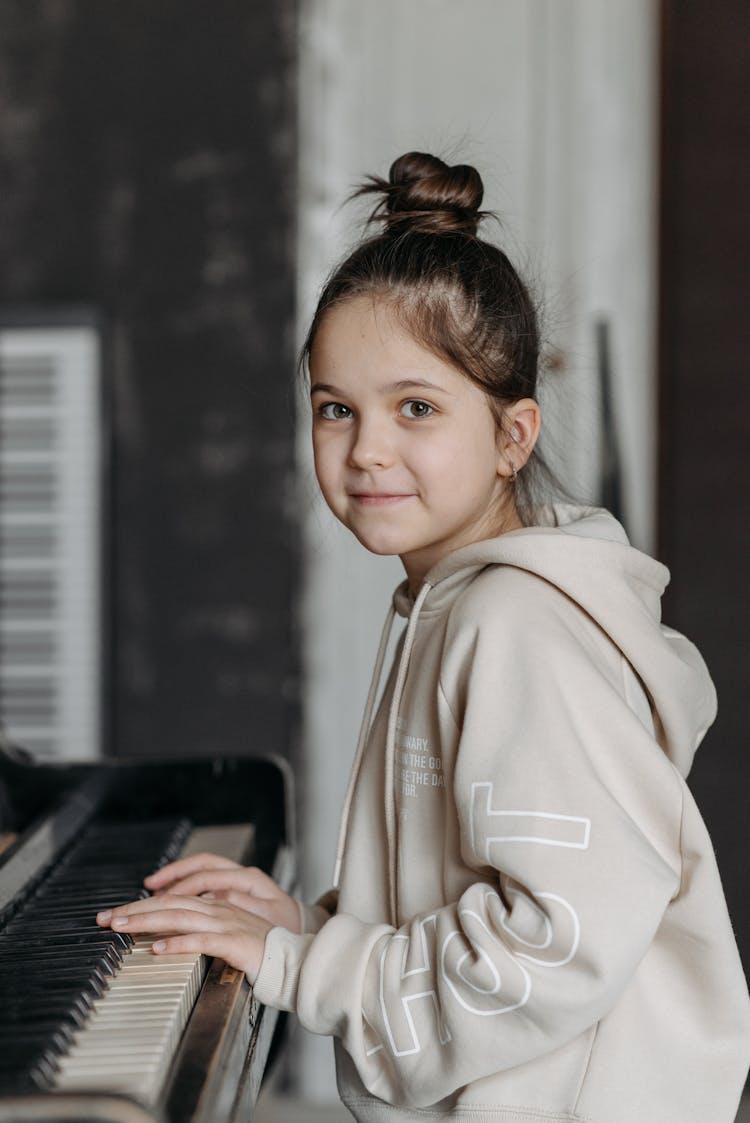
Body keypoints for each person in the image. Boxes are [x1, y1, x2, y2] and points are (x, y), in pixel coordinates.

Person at [97, 152, 750, 1122]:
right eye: (335, 409)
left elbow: (554, 941)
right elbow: (477, 878)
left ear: (512, 437)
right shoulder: (450, 600)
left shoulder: (515, 626)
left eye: (416, 408)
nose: (366, 448)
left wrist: (306, 965)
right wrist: (311, 923)